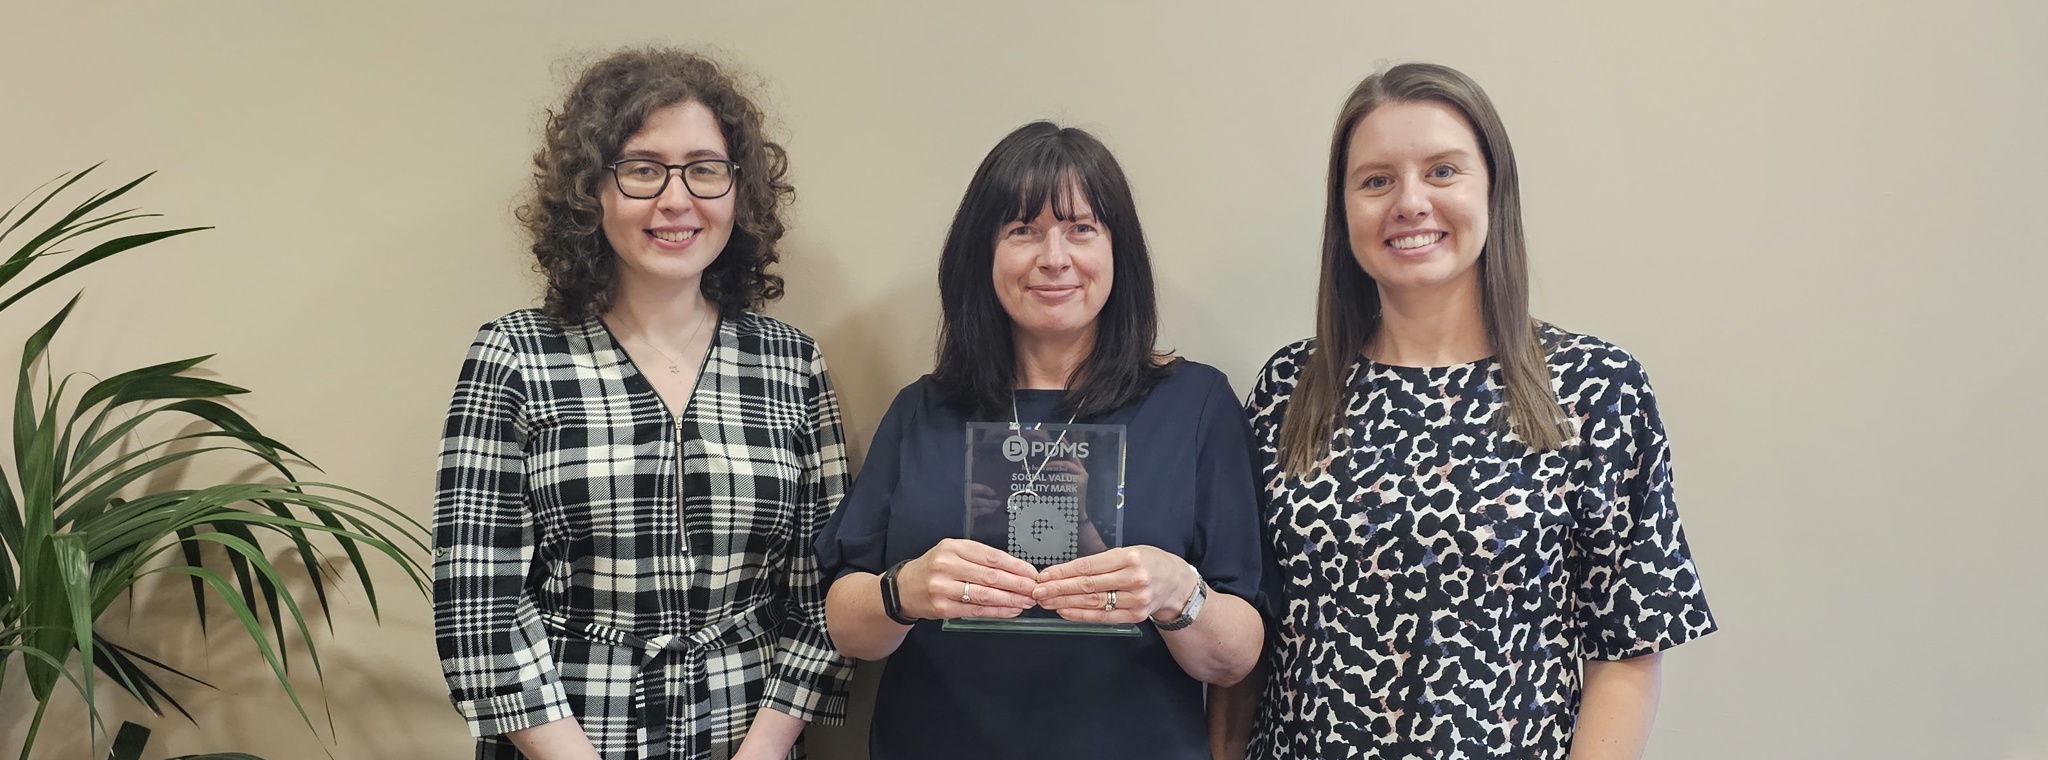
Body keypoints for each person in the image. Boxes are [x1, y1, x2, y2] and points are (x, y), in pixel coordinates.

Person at [1217, 63, 1717, 759]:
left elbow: (1628, 647)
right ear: (1345, 211)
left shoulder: (1597, 388)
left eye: (1443, 172)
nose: (1410, 202)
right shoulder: (1289, 388)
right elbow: (1248, 637)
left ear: (1494, 190)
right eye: (1376, 180)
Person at [432, 48, 852, 760]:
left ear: (738, 191)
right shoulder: (515, 356)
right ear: (591, 190)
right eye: (643, 169)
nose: (677, 199)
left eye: (704, 169)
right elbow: (479, 607)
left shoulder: (791, 363)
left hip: (750, 738)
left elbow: (823, 594)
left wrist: (765, 750)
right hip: (564, 740)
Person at [816, 121, 1266, 759]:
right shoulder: (925, 408)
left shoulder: (1194, 405)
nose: (1054, 257)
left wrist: (1175, 593)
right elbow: (844, 623)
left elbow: (1236, 657)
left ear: (1119, 252)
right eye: (1022, 230)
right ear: (984, 254)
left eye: (1082, 228)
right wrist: (906, 590)